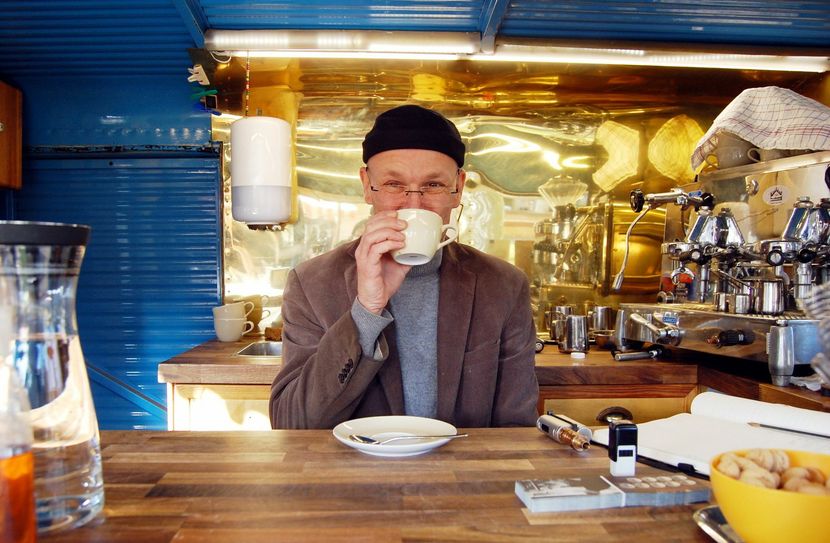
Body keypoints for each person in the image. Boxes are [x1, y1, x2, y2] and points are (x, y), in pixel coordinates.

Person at [269, 104, 539, 429]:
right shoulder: (311, 283)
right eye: (394, 184)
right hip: (354, 476)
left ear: (458, 188)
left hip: (461, 473)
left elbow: (517, 427)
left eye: (434, 185)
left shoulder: (503, 285)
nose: (413, 204)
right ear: (367, 185)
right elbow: (291, 423)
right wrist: (367, 311)